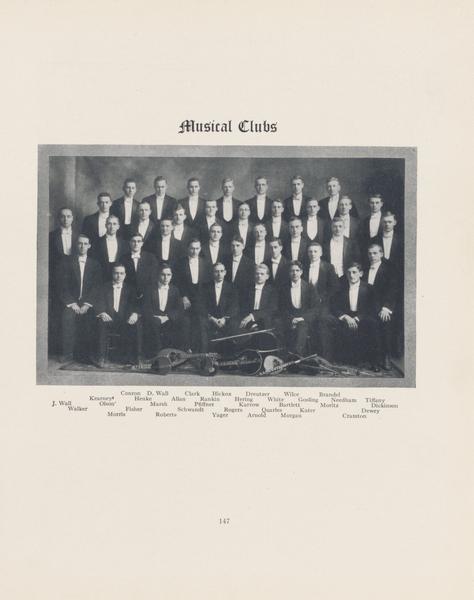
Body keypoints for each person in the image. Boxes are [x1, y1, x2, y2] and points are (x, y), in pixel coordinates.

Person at [55, 234, 102, 363]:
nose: (82, 246)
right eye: (80, 243)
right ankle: (67, 353)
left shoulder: (95, 264)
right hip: (72, 302)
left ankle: (91, 355)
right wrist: (72, 303)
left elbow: (97, 287)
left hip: (88, 302)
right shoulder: (66, 263)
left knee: (94, 319)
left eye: (85, 244)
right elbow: (62, 286)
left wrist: (87, 304)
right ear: (76, 245)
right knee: (67, 318)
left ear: (89, 246)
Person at [330, 262, 379, 369]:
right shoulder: (340, 288)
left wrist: (358, 318)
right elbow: (334, 306)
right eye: (349, 273)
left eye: (354, 272)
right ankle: (342, 359)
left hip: (362, 316)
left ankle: (374, 362)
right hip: (347, 315)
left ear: (360, 273)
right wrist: (346, 317)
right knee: (336, 325)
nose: (351, 275)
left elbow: (372, 308)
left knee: (373, 324)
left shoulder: (369, 288)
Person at [94, 264, 143, 367]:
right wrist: (102, 312)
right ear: (112, 274)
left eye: (121, 273)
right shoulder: (104, 287)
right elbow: (99, 302)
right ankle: (101, 357)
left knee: (137, 323)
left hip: (125, 320)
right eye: (116, 273)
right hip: (109, 319)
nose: (119, 276)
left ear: (125, 275)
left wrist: (135, 314)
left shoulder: (130, 289)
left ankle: (135, 357)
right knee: (100, 322)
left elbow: (136, 305)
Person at [363, 244, 398, 369]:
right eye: (370, 253)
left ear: (381, 254)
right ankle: (372, 358)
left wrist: (386, 308)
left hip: (382, 307)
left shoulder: (388, 270)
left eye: (375, 253)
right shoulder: (364, 269)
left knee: (384, 321)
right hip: (366, 306)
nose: (372, 256)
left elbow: (392, 290)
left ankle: (386, 356)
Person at [49, 207, 77, 354]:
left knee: (72, 313)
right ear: (59, 218)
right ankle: (58, 349)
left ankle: (73, 349)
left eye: (68, 216)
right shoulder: (51, 236)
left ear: (73, 218)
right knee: (57, 313)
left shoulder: (79, 236)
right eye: (63, 216)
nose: (66, 219)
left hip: (75, 279)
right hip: (57, 279)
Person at [175, 238, 213, 350]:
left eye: (197, 248)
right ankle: (185, 351)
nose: (194, 251)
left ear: (200, 249)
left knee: (200, 323)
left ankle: (201, 352)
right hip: (186, 298)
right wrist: (183, 296)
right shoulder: (180, 263)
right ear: (188, 248)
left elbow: (209, 283)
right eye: (192, 248)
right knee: (185, 323)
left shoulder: (206, 263)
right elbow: (177, 282)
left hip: (201, 299)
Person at [279, 261, 321, 357]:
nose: (295, 273)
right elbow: (282, 308)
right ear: (289, 273)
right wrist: (291, 319)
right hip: (290, 317)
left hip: (304, 318)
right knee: (279, 325)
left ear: (301, 272)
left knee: (302, 326)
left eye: (297, 270)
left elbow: (315, 308)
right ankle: (282, 356)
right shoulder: (284, 288)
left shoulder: (309, 287)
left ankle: (297, 355)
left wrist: (303, 318)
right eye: (292, 271)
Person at [142, 263, 185, 355]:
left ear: (171, 276)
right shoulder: (150, 289)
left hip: (167, 318)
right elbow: (146, 307)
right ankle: (157, 355)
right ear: (158, 275)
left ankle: (176, 354)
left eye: (168, 275)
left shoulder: (175, 290)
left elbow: (179, 308)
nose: (166, 278)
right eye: (163, 275)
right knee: (154, 323)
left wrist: (167, 317)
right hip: (154, 318)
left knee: (182, 322)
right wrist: (155, 317)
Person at [198, 263, 238, 352]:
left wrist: (224, 319)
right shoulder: (205, 287)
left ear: (225, 272)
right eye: (216, 271)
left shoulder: (231, 287)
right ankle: (205, 354)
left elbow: (234, 306)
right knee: (201, 323)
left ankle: (229, 354)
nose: (219, 274)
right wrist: (212, 319)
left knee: (234, 324)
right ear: (213, 273)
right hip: (210, 318)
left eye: (221, 271)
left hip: (225, 319)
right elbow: (201, 305)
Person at [239, 264, 277, 331]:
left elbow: (271, 309)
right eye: (257, 273)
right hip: (248, 319)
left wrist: (252, 316)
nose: (259, 276)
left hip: (264, 320)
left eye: (262, 274)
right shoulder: (247, 289)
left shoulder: (272, 290)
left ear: (267, 276)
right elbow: (243, 307)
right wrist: (249, 320)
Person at [121, 234, 159, 300]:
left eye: (139, 241)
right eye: (133, 241)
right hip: (129, 295)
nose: (136, 244)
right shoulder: (123, 258)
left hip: (147, 295)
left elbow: (153, 278)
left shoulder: (151, 258)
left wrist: (146, 293)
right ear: (130, 243)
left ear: (142, 243)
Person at [93, 215, 128, 279]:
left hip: (118, 275)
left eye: (114, 224)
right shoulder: (97, 242)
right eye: (109, 224)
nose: (112, 227)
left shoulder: (124, 243)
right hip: (102, 275)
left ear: (118, 226)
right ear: (105, 225)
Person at [224, 235, 254, 305]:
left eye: (238, 245)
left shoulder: (250, 263)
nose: (235, 248)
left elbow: (250, 284)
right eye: (233, 246)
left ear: (243, 246)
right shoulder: (225, 260)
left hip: (243, 297)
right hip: (226, 296)